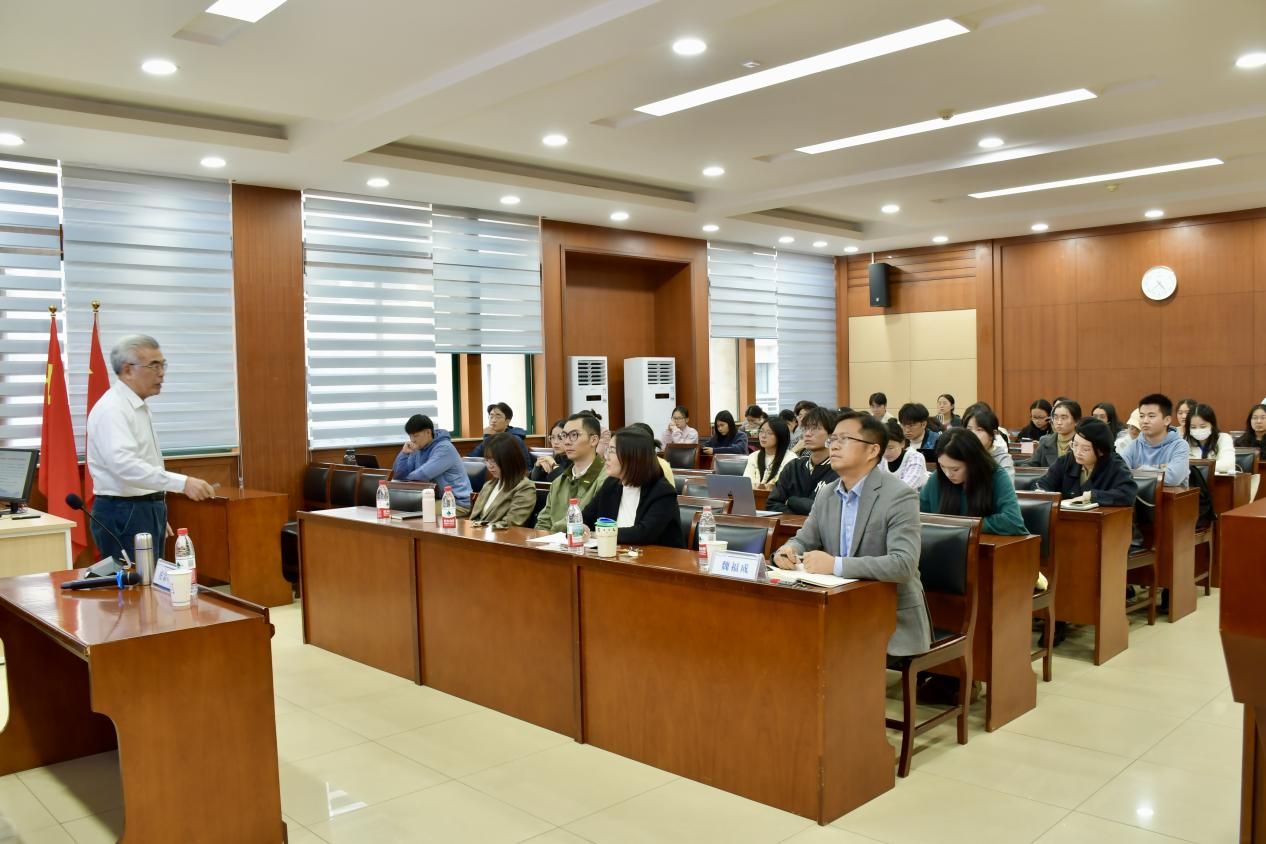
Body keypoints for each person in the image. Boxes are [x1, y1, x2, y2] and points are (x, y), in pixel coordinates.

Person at [771, 412, 929, 657]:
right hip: (838, 608)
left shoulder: (899, 495)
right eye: (833, 439)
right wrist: (787, 550)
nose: (834, 446)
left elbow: (903, 564)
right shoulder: (827, 493)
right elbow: (803, 539)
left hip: (887, 616)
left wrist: (835, 565)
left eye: (844, 439)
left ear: (872, 450)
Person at [86, 335, 216, 562]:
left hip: (142, 508)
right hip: (125, 511)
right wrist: (183, 483)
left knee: (151, 579)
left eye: (163, 365)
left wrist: (155, 510)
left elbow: (145, 461)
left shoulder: (137, 406)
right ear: (128, 370)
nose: (161, 373)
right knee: (136, 583)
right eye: (154, 366)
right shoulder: (113, 409)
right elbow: (125, 466)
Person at [582, 428, 683, 547]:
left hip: (656, 557)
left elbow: (643, 534)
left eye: (612, 451)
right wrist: (581, 528)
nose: (606, 456)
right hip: (615, 554)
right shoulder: (611, 485)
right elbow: (585, 518)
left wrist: (599, 534)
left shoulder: (662, 492)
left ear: (632, 457)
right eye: (607, 449)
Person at [920, 429, 1026, 536]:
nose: (948, 474)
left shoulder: (996, 476)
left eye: (955, 469)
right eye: (942, 466)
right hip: (944, 542)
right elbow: (917, 515)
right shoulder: (938, 477)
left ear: (973, 463)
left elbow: (1013, 522)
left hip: (987, 543)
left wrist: (960, 524)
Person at [1035, 418, 1139, 505]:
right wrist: (1042, 492)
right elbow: (1043, 483)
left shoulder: (1115, 465)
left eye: (1085, 449)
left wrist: (1090, 496)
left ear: (1100, 451)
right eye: (1075, 445)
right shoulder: (1067, 460)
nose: (1077, 452)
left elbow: (1128, 494)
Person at [535, 412, 607, 531]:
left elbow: (594, 524)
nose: (567, 442)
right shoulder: (559, 481)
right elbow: (543, 522)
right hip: (552, 541)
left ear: (593, 440)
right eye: (564, 436)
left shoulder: (606, 479)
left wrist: (555, 531)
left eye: (574, 435)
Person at [392, 414, 473, 515]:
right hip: (433, 499)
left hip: (456, 503)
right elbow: (398, 475)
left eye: (416, 435)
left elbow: (422, 475)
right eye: (410, 436)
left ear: (428, 432)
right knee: (399, 507)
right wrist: (404, 454)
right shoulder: (417, 448)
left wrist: (404, 481)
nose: (412, 440)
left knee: (419, 511)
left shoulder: (444, 448)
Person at [767, 407, 839, 514]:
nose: (807, 434)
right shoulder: (794, 466)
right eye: (805, 428)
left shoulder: (839, 470)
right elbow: (772, 504)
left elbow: (826, 511)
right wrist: (797, 517)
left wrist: (791, 501)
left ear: (831, 435)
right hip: (789, 524)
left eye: (815, 428)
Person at [468, 432, 536, 527]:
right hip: (479, 533)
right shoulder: (488, 485)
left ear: (509, 459)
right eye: (487, 460)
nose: (490, 466)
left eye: (494, 461)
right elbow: (474, 518)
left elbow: (512, 523)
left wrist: (481, 529)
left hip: (501, 535)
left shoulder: (524, 487)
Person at [1121, 393, 1189, 487]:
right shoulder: (1134, 445)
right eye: (1141, 416)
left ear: (1167, 420)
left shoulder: (1180, 445)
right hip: (1138, 494)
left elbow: (1173, 478)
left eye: (1151, 416)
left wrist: (1140, 470)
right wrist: (1157, 472)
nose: (1145, 421)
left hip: (1170, 495)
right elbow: (1120, 473)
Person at [1023, 399, 1081, 468]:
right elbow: (1031, 465)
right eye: (1055, 417)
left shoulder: (1084, 443)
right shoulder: (1045, 441)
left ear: (1076, 421)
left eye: (1063, 418)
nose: (1059, 422)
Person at [964, 406, 1014, 481]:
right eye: (969, 429)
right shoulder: (962, 453)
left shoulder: (1003, 460)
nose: (972, 434)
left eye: (979, 429)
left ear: (993, 434)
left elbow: (1006, 486)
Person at [1184, 403, 1236, 474]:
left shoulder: (1223, 438)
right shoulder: (1184, 442)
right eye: (1193, 427)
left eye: (1203, 426)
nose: (1198, 430)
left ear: (1212, 425)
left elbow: (1228, 465)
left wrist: (1196, 467)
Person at [879, 418, 928, 490]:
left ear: (902, 443)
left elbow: (906, 487)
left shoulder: (915, 458)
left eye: (890, 448)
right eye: (882, 448)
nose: (885, 453)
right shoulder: (881, 459)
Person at [744, 417, 791, 490]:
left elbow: (782, 487)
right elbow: (746, 483)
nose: (763, 436)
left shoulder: (790, 459)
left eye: (770, 433)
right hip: (753, 495)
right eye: (761, 431)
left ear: (781, 436)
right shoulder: (754, 456)